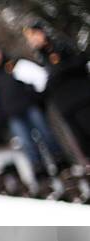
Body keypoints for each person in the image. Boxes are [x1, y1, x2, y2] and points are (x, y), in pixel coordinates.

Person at [0, 40, 68, 178]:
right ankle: (38, 168)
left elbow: (36, 79)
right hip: (12, 114)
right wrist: (0, 114)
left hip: (29, 106)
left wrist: (35, 97)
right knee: (26, 142)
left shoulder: (15, 65)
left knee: (46, 133)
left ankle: (60, 161)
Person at [23, 21, 90, 160]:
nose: (32, 40)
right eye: (29, 38)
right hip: (65, 105)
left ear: (42, 32)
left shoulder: (60, 45)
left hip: (81, 99)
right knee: (83, 141)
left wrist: (59, 71)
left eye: (34, 35)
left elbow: (80, 61)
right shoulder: (40, 57)